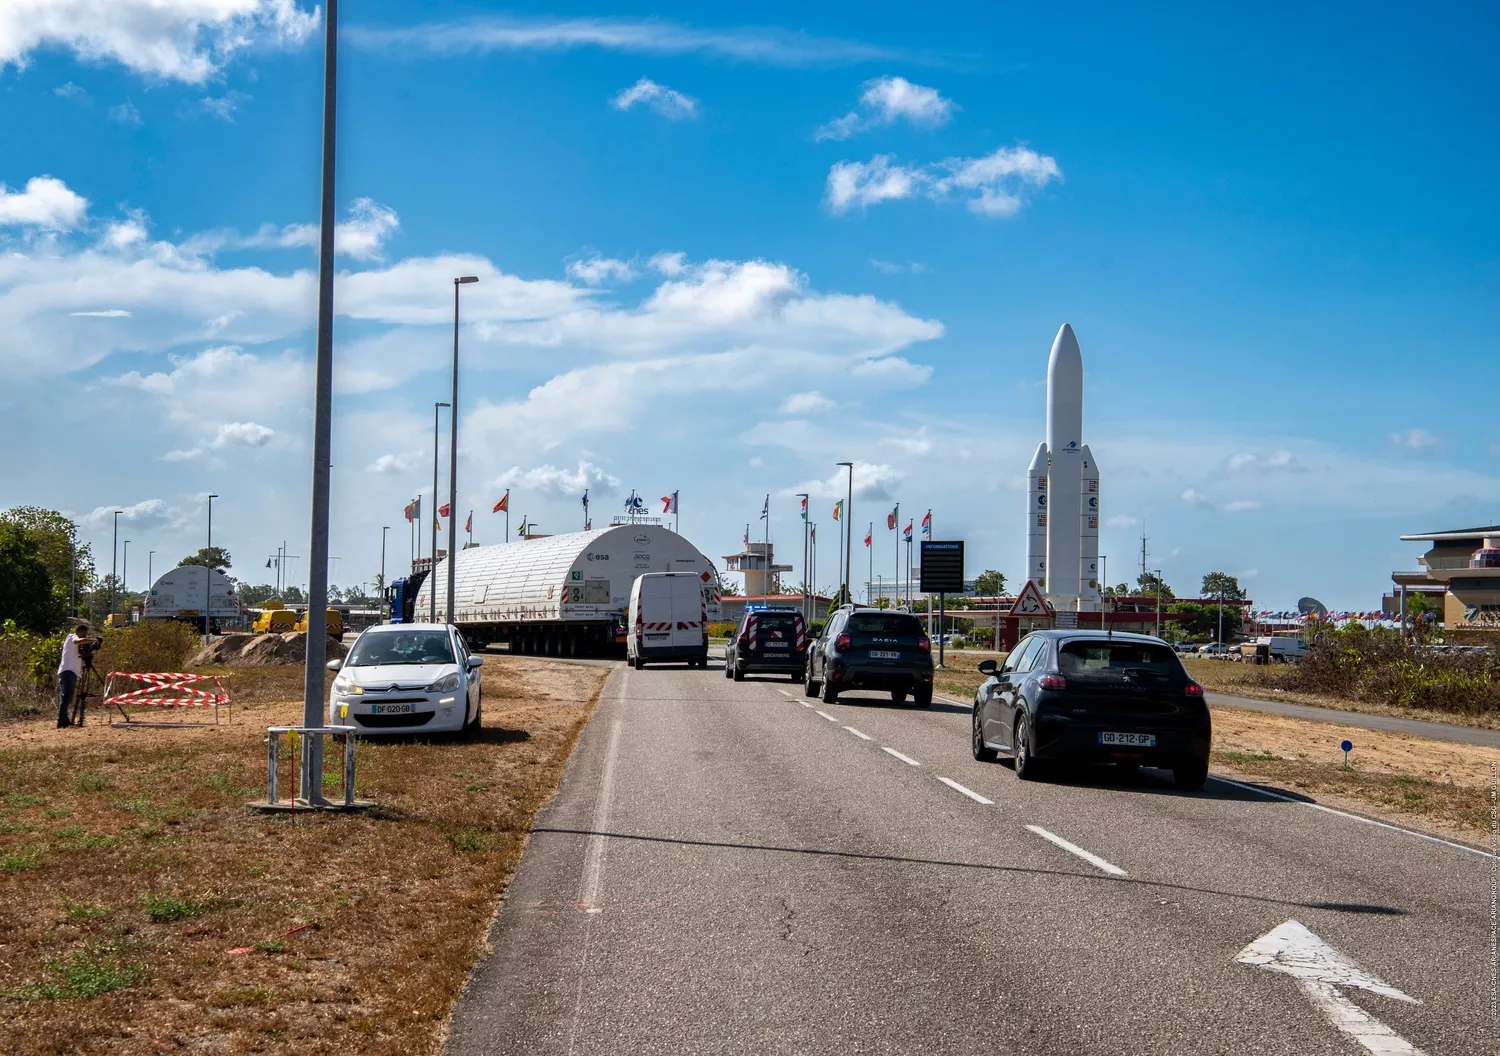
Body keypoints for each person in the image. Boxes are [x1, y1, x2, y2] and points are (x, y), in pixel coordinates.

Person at [57, 621, 99, 728]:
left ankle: (64, 719)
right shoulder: (72, 637)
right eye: (84, 634)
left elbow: (80, 651)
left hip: (70, 671)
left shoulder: (75, 640)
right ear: (80, 631)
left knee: (67, 696)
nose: (85, 637)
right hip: (68, 670)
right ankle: (62, 721)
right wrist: (93, 640)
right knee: (67, 696)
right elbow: (78, 641)